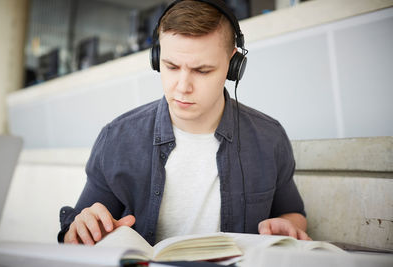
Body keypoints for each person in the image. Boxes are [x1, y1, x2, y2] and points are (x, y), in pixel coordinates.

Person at [58, 0, 310, 246]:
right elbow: (80, 234)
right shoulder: (117, 138)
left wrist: (289, 226)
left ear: (233, 65)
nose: (182, 87)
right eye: (171, 66)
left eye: (202, 71)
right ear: (157, 59)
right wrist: (80, 230)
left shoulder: (269, 137)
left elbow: (292, 213)